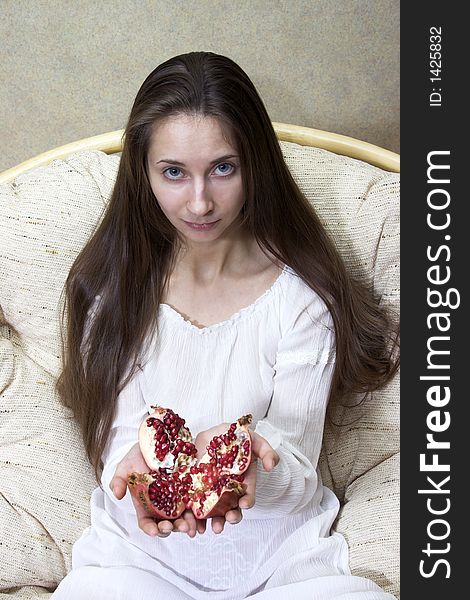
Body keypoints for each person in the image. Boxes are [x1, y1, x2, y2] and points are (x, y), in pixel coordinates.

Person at [52, 51, 399, 599]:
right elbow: (120, 437)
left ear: (255, 164)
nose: (200, 202)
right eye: (173, 173)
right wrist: (137, 472)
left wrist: (252, 466)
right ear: (142, 175)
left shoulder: (305, 299)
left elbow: (300, 464)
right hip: (137, 564)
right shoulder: (112, 291)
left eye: (223, 168)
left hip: (280, 563)